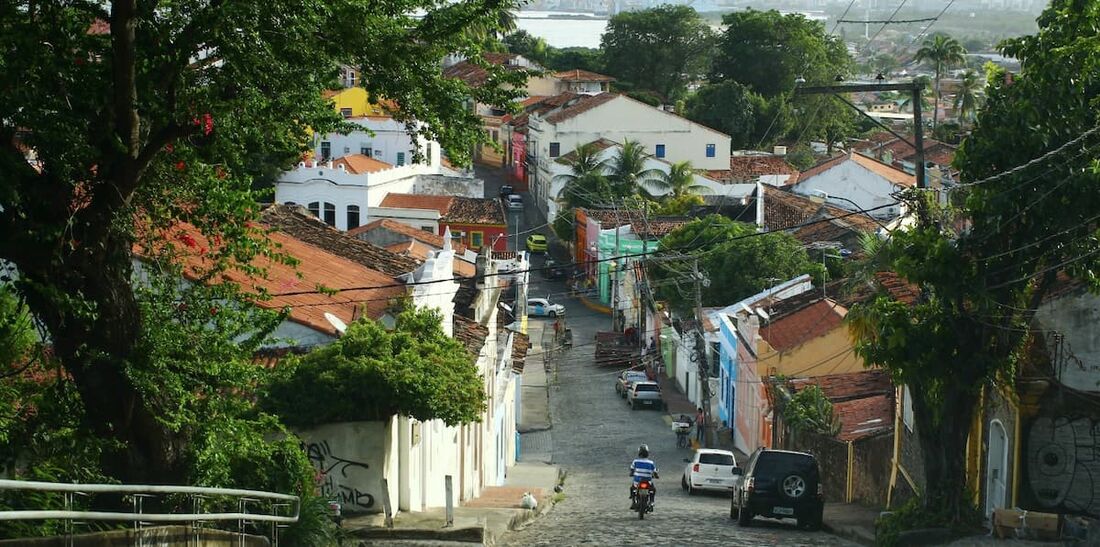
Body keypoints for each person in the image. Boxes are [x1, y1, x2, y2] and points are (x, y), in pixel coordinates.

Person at [629, 444, 658, 510]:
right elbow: (655, 472)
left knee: (632, 488)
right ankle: (651, 501)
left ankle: (633, 501)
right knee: (653, 490)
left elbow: (632, 470)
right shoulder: (651, 463)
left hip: (637, 481)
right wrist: (656, 476)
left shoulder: (635, 461)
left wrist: (631, 474)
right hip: (648, 481)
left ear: (639, 453)